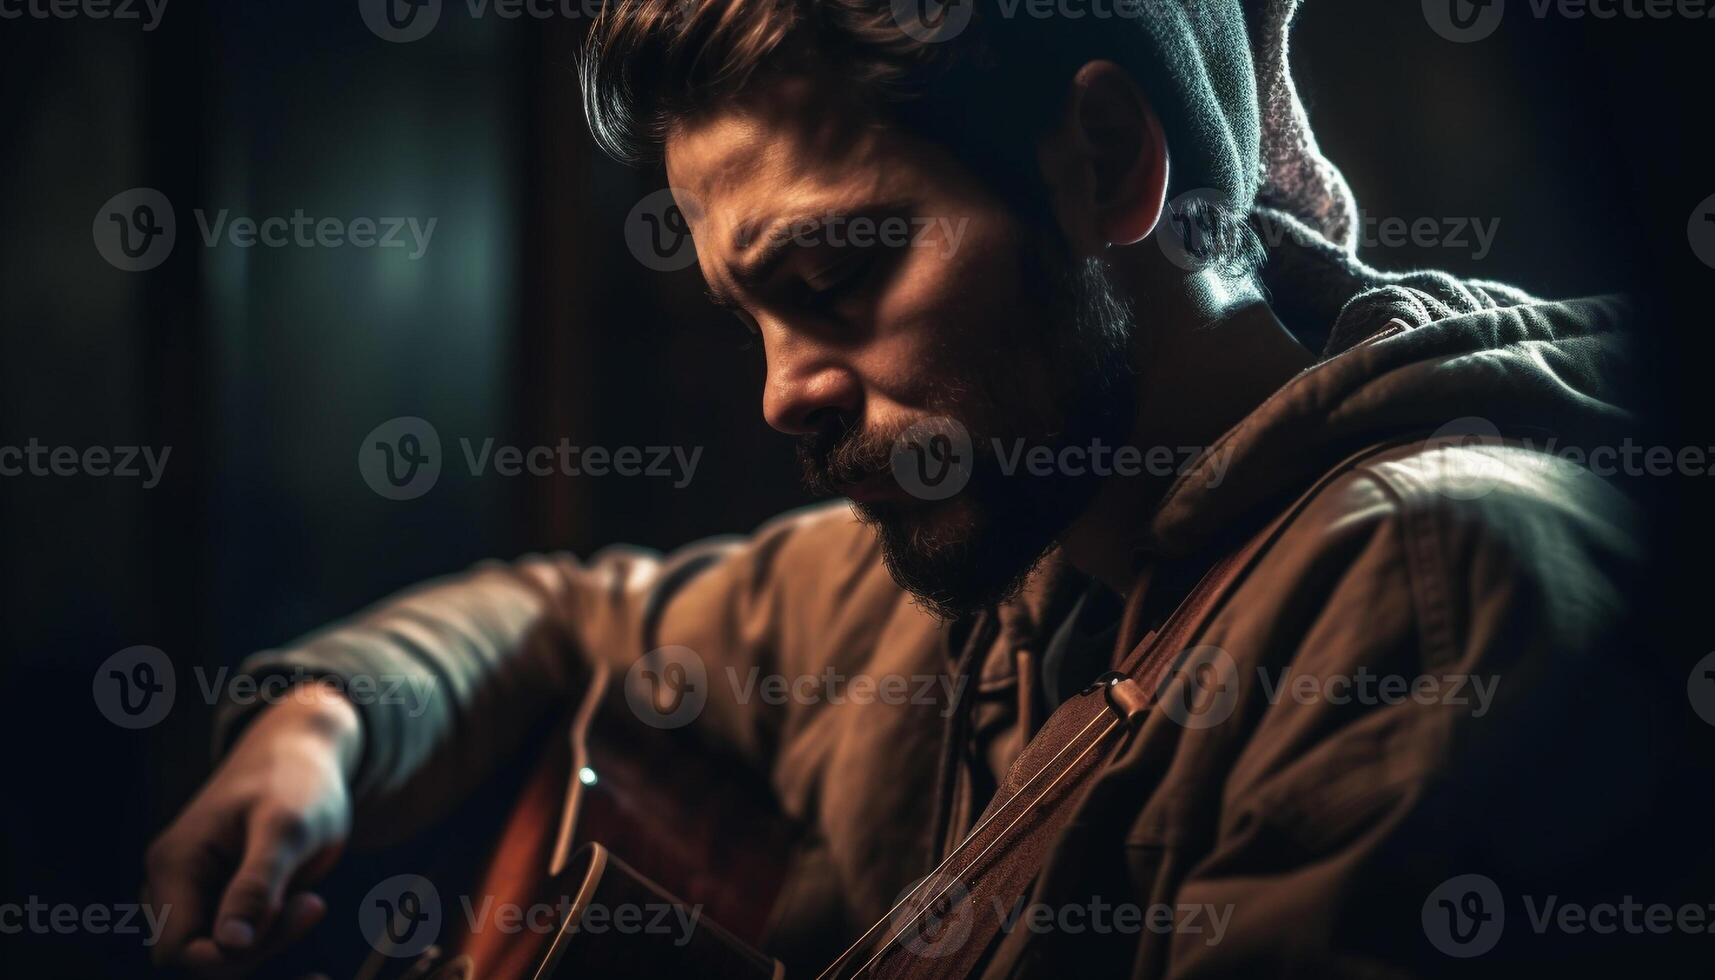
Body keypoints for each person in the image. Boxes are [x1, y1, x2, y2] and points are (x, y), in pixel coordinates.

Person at [145, 1, 1662, 975]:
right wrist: (320, 727)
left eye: (834, 273)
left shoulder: (1423, 593)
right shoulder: (977, 545)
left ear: (1107, 160)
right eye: (754, 315)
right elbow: (581, 615)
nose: (780, 391)